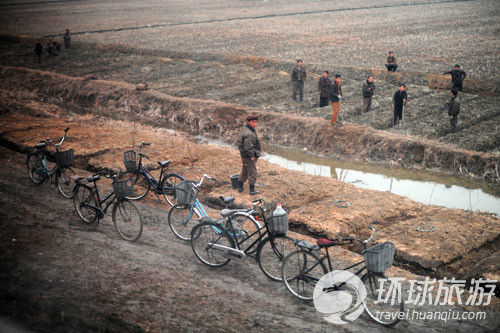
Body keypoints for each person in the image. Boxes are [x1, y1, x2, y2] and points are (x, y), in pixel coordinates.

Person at [237, 114, 261, 195]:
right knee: (252, 172)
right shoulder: (249, 133)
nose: (255, 124)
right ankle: (252, 190)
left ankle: (240, 186)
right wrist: (251, 156)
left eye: (256, 122)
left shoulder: (247, 129)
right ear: (249, 122)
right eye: (253, 122)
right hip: (248, 156)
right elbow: (248, 147)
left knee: (245, 170)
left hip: (245, 155)